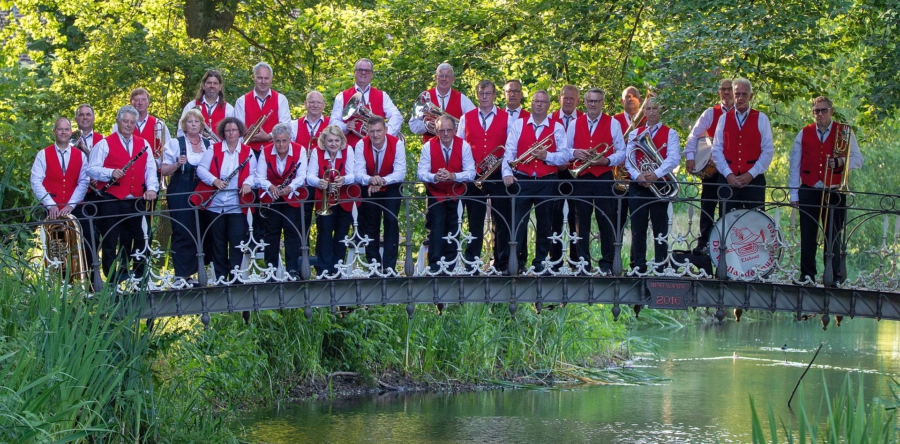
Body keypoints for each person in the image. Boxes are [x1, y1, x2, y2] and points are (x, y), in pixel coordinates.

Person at [789, 96, 863, 286]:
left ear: (831, 111)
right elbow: (794, 165)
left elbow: (858, 160)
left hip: (835, 190)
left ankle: (834, 276)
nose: (819, 114)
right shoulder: (804, 133)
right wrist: (794, 193)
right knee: (808, 235)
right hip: (810, 189)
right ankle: (807, 275)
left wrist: (840, 162)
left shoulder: (845, 132)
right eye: (816, 111)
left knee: (834, 236)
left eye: (823, 110)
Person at [502, 90, 570, 273]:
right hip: (522, 179)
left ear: (549, 105)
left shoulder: (557, 127)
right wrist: (507, 174)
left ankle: (540, 262)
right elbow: (509, 153)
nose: (539, 105)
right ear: (531, 104)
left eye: (543, 102)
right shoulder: (518, 124)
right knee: (517, 224)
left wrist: (546, 155)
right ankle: (515, 261)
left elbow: (564, 156)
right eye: (536, 102)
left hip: (547, 180)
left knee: (545, 224)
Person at [88, 105, 159, 281]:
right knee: (111, 239)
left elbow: (150, 169)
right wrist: (110, 172)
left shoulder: (144, 144)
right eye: (125, 121)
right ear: (118, 122)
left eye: (132, 122)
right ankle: (112, 278)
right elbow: (91, 169)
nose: (128, 125)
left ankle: (137, 274)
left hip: (135, 199)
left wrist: (151, 188)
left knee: (139, 237)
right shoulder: (104, 143)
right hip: (111, 199)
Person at [456, 79, 512, 273]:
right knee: (475, 220)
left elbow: (510, 149)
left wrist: (506, 171)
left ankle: (501, 263)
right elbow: (461, 146)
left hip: (498, 175)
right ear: (477, 95)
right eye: (481, 93)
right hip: (474, 176)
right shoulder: (466, 118)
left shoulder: (507, 117)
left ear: (495, 95)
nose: (485, 97)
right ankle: (472, 262)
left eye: (488, 93)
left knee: (501, 220)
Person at [567, 88, 625, 273]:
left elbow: (621, 151)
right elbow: (566, 150)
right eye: (590, 101)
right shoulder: (575, 124)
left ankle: (607, 263)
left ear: (602, 103)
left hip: (603, 177)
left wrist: (607, 160)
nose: (593, 104)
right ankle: (582, 263)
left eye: (597, 101)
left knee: (605, 219)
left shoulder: (613, 123)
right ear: (584, 102)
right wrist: (576, 152)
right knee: (579, 221)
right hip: (582, 177)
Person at [195, 116, 257, 281]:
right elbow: (201, 169)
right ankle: (221, 277)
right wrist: (214, 181)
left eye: (234, 130)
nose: (231, 133)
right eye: (228, 130)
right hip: (215, 204)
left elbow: (254, 174)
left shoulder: (247, 151)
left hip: (237, 204)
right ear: (223, 132)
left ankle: (235, 276)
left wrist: (247, 183)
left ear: (239, 132)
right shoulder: (213, 149)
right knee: (218, 242)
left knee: (237, 241)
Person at [30, 117, 92, 281]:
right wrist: (51, 205)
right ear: (54, 132)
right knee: (56, 249)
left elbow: (84, 181)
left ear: (70, 132)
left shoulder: (81, 156)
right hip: (52, 210)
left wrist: (71, 205)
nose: (63, 132)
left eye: (66, 129)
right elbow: (36, 180)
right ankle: (58, 284)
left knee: (80, 247)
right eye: (60, 129)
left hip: (75, 209)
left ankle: (83, 283)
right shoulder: (43, 154)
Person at [624, 97, 681, 273]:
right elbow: (629, 159)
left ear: (660, 110)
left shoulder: (670, 133)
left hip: (661, 184)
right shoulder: (635, 133)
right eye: (648, 108)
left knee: (660, 228)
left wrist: (655, 174)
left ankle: (661, 265)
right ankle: (638, 265)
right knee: (638, 228)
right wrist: (638, 175)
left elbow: (673, 158)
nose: (651, 112)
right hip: (639, 185)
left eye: (655, 108)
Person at [160, 109, 213, 283]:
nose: (193, 125)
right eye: (190, 122)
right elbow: (163, 169)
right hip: (181, 187)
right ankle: (182, 275)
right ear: (184, 125)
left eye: (196, 122)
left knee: (205, 228)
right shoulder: (176, 143)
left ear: (201, 125)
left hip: (203, 189)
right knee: (183, 229)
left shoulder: (208, 144)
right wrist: (177, 164)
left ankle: (201, 272)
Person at [418, 115, 475, 272]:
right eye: (441, 130)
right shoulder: (428, 147)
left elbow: (471, 172)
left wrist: (453, 176)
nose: (445, 133)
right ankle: (435, 266)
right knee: (436, 226)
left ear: (455, 130)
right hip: (436, 193)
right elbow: (421, 172)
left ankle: (450, 265)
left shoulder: (464, 146)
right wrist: (434, 176)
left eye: (449, 130)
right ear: (436, 131)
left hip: (457, 192)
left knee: (454, 226)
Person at [683, 79, 734, 254]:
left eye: (730, 90)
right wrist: (690, 157)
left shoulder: (742, 113)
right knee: (707, 205)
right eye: (723, 90)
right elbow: (693, 135)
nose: (726, 93)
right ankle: (703, 242)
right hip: (713, 170)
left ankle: (725, 243)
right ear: (718, 92)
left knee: (728, 208)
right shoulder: (711, 113)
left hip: (733, 169)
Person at [711, 78, 775, 212]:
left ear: (750, 96)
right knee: (726, 223)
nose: (740, 98)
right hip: (728, 179)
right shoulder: (723, 119)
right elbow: (717, 149)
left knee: (755, 222)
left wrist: (751, 174)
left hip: (754, 180)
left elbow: (768, 151)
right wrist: (728, 174)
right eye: (737, 94)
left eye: (744, 94)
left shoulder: (762, 118)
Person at [354, 115, 406, 272]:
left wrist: (381, 180)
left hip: (391, 186)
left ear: (385, 130)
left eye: (379, 131)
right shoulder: (361, 144)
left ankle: (389, 267)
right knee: (371, 224)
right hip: (370, 186)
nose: (375, 135)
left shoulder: (397, 144)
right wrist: (371, 179)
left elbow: (400, 173)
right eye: (372, 132)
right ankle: (374, 266)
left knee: (391, 221)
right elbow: (358, 173)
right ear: (367, 132)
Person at [257, 123, 307, 278]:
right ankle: (270, 270)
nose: (281, 144)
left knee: (292, 232)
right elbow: (260, 177)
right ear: (273, 140)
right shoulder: (265, 151)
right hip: (271, 197)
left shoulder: (300, 150)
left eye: (284, 141)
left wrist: (290, 187)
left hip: (291, 196)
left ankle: (292, 269)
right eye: (277, 141)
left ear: (289, 139)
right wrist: (270, 186)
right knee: (271, 233)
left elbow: (302, 175)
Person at [307, 125, 357, 276]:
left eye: (337, 140)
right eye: (330, 141)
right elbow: (310, 176)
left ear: (341, 141)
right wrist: (319, 182)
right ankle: (324, 269)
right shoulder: (317, 151)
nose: (333, 144)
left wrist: (344, 179)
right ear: (324, 141)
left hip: (344, 198)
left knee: (342, 234)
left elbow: (353, 174)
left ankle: (338, 268)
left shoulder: (348, 150)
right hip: (325, 199)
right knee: (324, 233)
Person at [330, 58, 403, 148]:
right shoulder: (341, 96)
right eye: (360, 70)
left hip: (377, 149)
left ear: (372, 74)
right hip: (351, 149)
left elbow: (396, 116)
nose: (363, 73)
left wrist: (386, 133)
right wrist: (345, 126)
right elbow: (333, 123)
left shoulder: (382, 95)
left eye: (367, 71)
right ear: (355, 72)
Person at [549, 85, 584, 264]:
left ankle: (576, 260)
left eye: (572, 98)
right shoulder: (549, 119)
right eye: (565, 97)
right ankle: (554, 260)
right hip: (555, 173)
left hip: (577, 174)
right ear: (559, 99)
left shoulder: (585, 120)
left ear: (578, 101)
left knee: (576, 216)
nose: (568, 101)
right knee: (553, 215)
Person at [292, 90, 330, 250]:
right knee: (302, 223)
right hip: (303, 183)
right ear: (305, 104)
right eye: (311, 102)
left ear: (324, 106)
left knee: (325, 225)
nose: (315, 105)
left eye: (318, 102)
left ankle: (324, 266)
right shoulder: (294, 125)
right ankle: (302, 264)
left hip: (324, 181)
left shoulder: (331, 124)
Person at [408, 63, 475, 143]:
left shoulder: (462, 99)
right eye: (441, 76)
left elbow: (475, 121)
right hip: (430, 149)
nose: (444, 79)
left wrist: (460, 128)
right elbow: (413, 124)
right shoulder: (425, 96)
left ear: (452, 79)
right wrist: (426, 125)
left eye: (447, 76)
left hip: (455, 148)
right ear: (436, 78)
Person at [234, 62, 292, 154]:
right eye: (260, 78)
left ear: (271, 79)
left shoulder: (281, 99)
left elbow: (286, 127)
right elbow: (237, 130)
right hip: (248, 151)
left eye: (266, 78)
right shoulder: (241, 101)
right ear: (254, 78)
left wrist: (268, 136)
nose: (263, 82)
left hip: (274, 151)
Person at [112, 88, 171, 161]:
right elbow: (114, 147)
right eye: (136, 100)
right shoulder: (120, 125)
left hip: (154, 169)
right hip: (127, 168)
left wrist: (157, 164)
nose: (140, 103)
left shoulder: (159, 124)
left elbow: (168, 150)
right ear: (131, 102)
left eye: (143, 99)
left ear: (148, 102)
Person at [178, 69, 235, 138]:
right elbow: (181, 130)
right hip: (195, 147)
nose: (212, 86)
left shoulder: (229, 109)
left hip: (219, 148)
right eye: (209, 83)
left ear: (220, 87)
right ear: (203, 86)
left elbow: (233, 135)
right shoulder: (191, 106)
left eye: (215, 83)